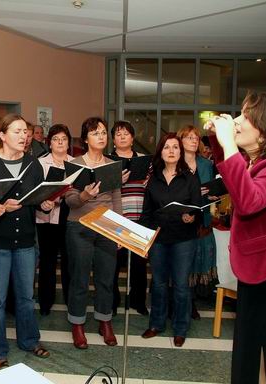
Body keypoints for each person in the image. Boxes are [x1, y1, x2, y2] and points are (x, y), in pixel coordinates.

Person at [205, 92, 266, 383]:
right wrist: (219, 141)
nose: (236, 121)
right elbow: (236, 181)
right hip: (256, 274)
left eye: (245, 116)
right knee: (248, 358)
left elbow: (248, 200)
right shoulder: (256, 162)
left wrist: (229, 143)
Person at [0, 113, 52, 370]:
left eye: (25, 132)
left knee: (26, 297)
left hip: (26, 240)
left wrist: (47, 204)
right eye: (16, 131)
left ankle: (29, 340)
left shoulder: (33, 164)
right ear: (2, 135)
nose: (23, 136)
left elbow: (38, 200)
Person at [65, 117, 123, 349]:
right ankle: (77, 324)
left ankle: (104, 321)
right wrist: (85, 196)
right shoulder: (75, 164)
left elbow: (116, 198)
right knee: (79, 279)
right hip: (80, 226)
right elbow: (69, 200)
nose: (101, 136)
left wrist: (120, 230)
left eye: (103, 133)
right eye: (95, 132)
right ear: (85, 138)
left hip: (107, 226)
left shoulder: (111, 164)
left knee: (106, 279)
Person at [139, 133, 201, 348]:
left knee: (181, 286)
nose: (172, 151)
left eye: (175, 147)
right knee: (158, 283)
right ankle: (156, 324)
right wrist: (144, 239)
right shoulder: (153, 179)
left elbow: (198, 209)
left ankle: (180, 328)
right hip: (158, 239)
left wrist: (191, 216)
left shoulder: (190, 178)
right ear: (161, 152)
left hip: (184, 239)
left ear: (180, 152)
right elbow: (146, 213)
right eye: (167, 147)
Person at [176, 125, 218, 317]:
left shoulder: (206, 164)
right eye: (189, 137)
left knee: (196, 262)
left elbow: (214, 191)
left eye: (196, 138)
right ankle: (180, 302)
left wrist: (212, 195)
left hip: (202, 218)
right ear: (180, 141)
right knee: (181, 263)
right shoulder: (174, 162)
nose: (194, 140)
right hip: (179, 218)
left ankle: (191, 301)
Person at [109, 120, 149, 316]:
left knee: (139, 265)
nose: (122, 136)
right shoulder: (108, 161)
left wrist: (148, 182)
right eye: (118, 134)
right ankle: (113, 302)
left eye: (126, 133)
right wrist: (117, 180)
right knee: (114, 263)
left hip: (139, 216)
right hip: (117, 218)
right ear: (113, 140)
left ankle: (138, 301)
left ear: (132, 138)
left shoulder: (143, 159)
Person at [36, 124, 74, 316]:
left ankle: (70, 300)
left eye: (64, 139)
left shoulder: (77, 163)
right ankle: (45, 302)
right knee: (47, 262)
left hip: (70, 216)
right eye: (56, 139)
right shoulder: (40, 164)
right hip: (47, 217)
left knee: (70, 261)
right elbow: (35, 193)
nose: (60, 142)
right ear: (49, 143)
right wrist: (43, 200)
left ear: (69, 143)